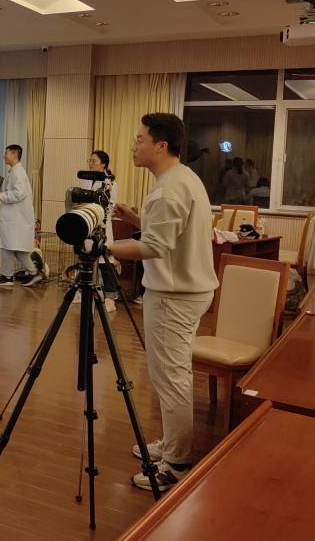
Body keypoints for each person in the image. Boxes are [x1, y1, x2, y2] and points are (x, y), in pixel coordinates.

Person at [108, 113, 218, 493]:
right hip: (187, 291)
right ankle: (173, 444)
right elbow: (170, 233)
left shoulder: (168, 190)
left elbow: (155, 246)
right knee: (171, 375)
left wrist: (105, 247)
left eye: (140, 139)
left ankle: (176, 464)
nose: (134, 145)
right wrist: (137, 218)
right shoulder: (183, 179)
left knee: (171, 378)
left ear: (161, 145)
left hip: (175, 297)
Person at [0, 144, 41, 288]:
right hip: (14, 218)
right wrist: (0, 212)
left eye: (6, 153)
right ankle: (33, 273)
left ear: (14, 155)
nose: (4, 156)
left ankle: (7, 276)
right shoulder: (14, 172)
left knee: (8, 247)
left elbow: (19, 194)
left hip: (16, 220)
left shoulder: (18, 173)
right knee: (17, 249)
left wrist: (2, 195)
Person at [75, 150, 118, 311]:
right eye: (90, 160)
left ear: (103, 164)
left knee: (105, 261)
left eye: (94, 161)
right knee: (85, 258)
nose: (91, 163)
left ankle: (110, 297)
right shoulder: (86, 179)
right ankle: (81, 291)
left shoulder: (110, 183)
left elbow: (111, 206)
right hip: (86, 223)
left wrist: (91, 207)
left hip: (102, 225)